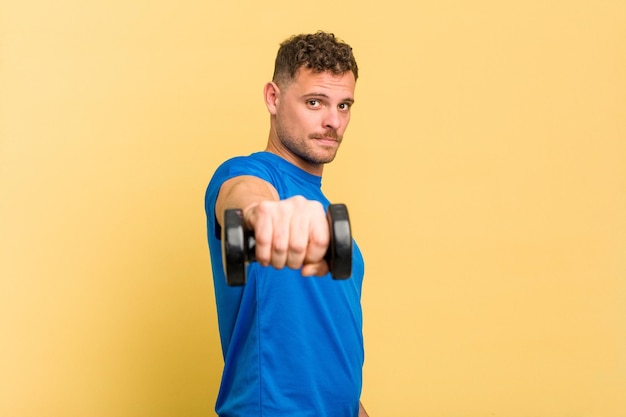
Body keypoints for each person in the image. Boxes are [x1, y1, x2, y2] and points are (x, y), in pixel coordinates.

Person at [205, 31, 369, 417]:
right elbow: (243, 199)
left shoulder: (328, 215)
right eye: (315, 102)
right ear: (273, 98)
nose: (333, 121)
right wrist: (264, 215)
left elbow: (331, 353)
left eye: (344, 106)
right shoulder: (248, 173)